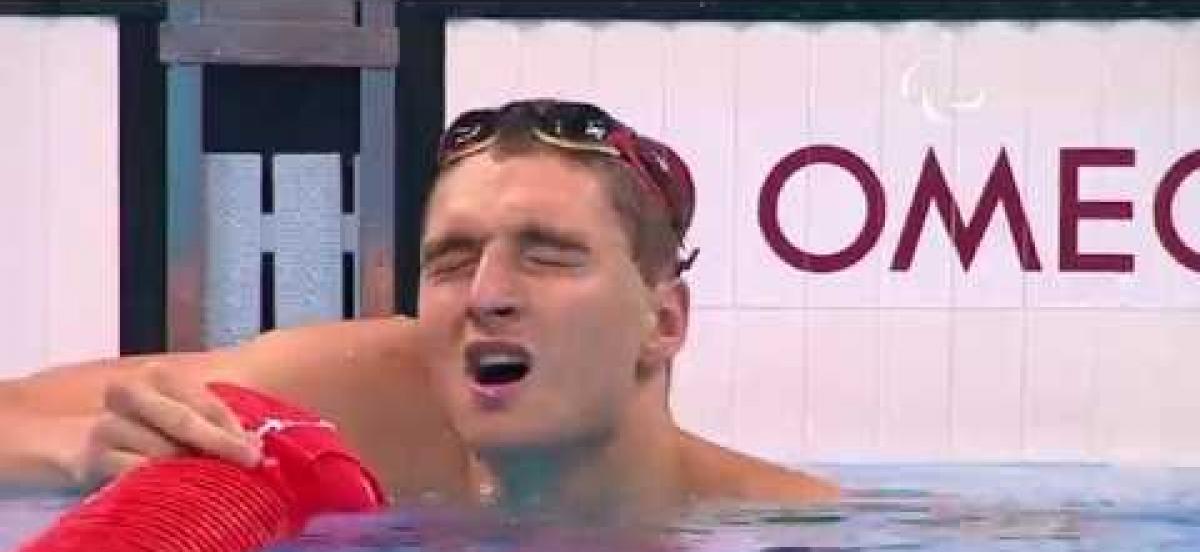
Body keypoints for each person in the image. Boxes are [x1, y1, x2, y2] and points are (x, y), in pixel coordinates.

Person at [0, 99, 837, 521]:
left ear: (665, 322)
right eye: (452, 259)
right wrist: (84, 451)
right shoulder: (358, 396)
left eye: (547, 253)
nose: (487, 294)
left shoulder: (779, 530)